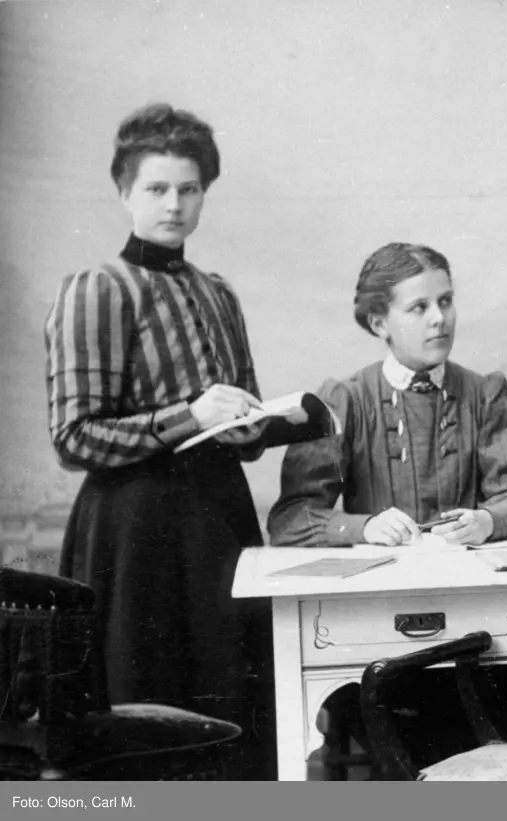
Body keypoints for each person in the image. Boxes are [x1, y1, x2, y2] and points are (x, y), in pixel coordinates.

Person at [44, 103, 276, 779]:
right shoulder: (98, 289)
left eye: (189, 189)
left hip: (219, 523)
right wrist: (190, 416)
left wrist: (257, 424)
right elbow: (74, 437)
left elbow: (243, 423)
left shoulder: (218, 293)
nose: (174, 205)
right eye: (156, 188)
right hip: (134, 530)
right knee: (145, 708)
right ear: (125, 192)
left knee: (235, 698)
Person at [267, 242, 507, 547]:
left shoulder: (486, 397)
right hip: (379, 574)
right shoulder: (345, 401)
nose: (439, 318)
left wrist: (489, 520)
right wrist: (364, 528)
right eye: (419, 307)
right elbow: (291, 519)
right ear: (379, 324)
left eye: (445, 301)